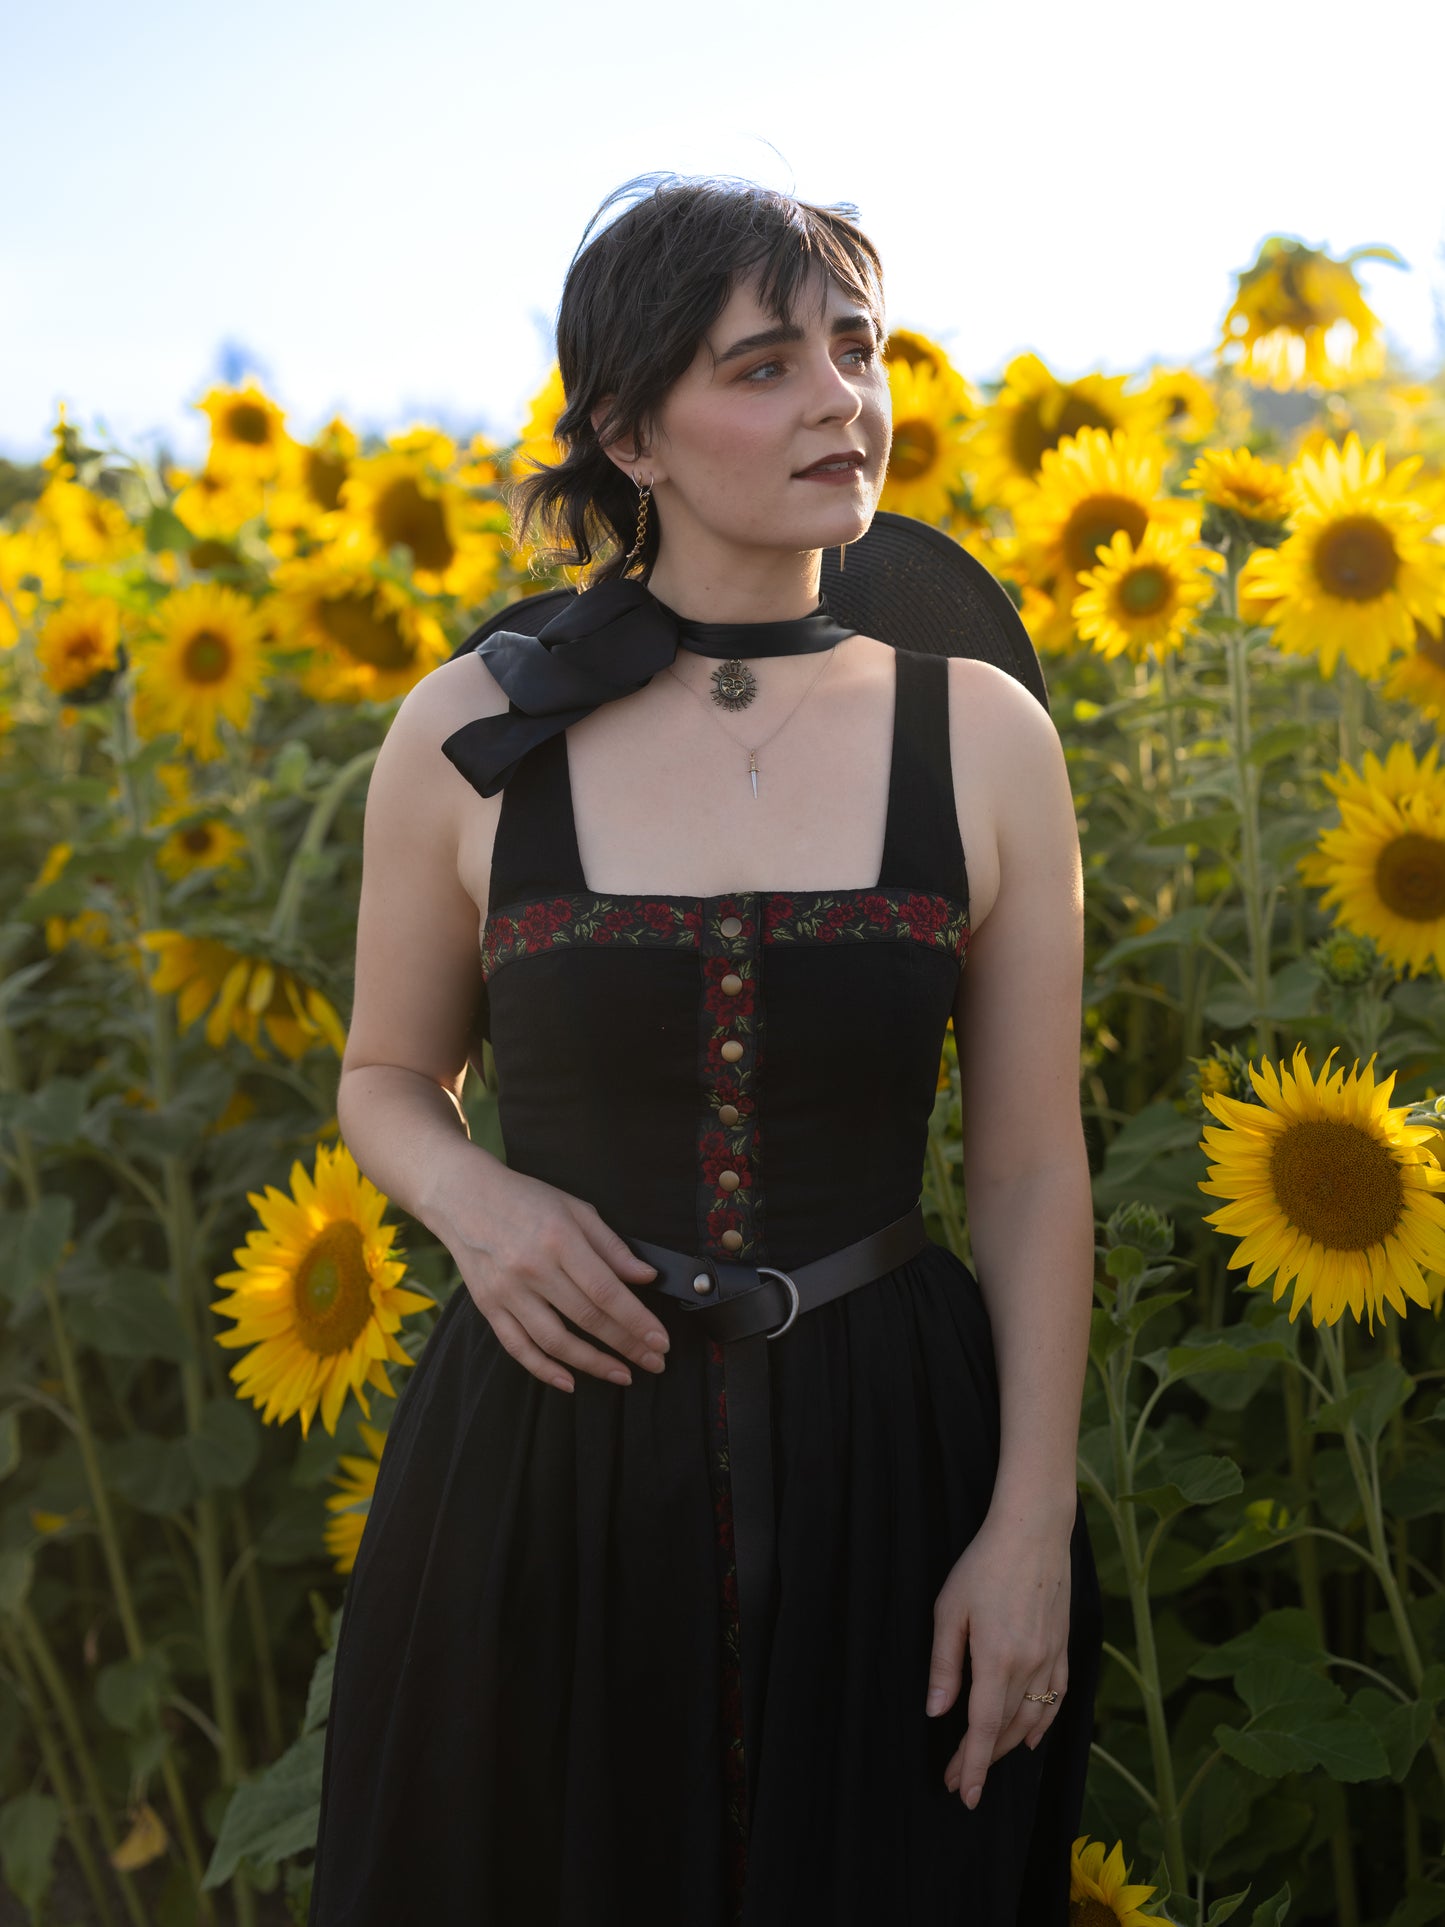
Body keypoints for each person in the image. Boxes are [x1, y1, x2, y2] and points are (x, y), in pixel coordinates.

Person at [307, 171, 1103, 1927]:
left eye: (854, 346)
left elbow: (1032, 1164)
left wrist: (1028, 1523)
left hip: (896, 1463)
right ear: (627, 435)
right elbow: (383, 1077)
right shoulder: (467, 725)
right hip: (545, 1474)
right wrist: (477, 1206)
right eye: (763, 367)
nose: (840, 402)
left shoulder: (980, 734)